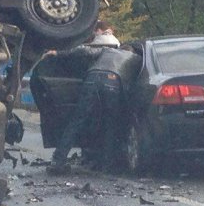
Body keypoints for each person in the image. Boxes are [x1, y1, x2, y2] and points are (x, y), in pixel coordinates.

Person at [44, 31, 140, 175]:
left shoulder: (107, 50)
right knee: (110, 124)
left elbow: (83, 51)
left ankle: (58, 161)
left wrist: (57, 53)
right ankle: (107, 165)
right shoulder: (136, 59)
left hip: (92, 78)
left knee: (77, 121)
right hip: (113, 82)